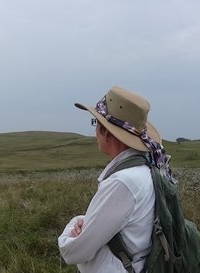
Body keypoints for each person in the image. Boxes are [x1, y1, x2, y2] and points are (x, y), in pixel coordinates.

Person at [58, 86, 174, 273]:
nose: (95, 131)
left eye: (96, 123)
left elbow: (73, 252)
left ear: (107, 132)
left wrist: (74, 224)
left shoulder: (122, 183)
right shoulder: (145, 168)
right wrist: (86, 221)